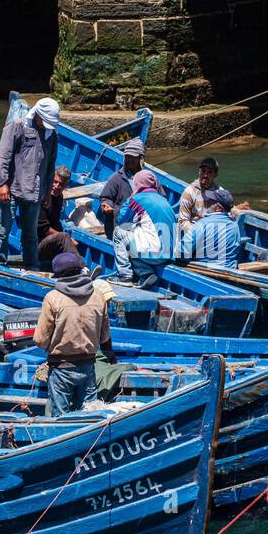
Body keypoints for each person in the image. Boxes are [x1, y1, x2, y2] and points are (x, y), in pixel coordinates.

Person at [33, 252, 116, 416]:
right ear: (80, 270)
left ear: (59, 276)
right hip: (88, 367)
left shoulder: (52, 298)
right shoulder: (98, 296)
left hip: (61, 368)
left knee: (60, 417)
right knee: (90, 415)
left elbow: (40, 339)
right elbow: (104, 337)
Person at [0, 97, 60, 270]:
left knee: (30, 234)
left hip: (36, 192)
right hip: (12, 188)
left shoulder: (52, 135)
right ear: (37, 114)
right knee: (2, 231)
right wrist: (2, 183)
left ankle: (32, 267)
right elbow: (3, 156)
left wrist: (47, 193)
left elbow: (50, 164)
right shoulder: (18, 125)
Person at [113, 169, 176, 287]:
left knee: (119, 232)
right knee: (136, 238)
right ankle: (146, 273)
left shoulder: (136, 199)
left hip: (155, 255)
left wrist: (130, 199)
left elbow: (121, 219)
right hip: (169, 255)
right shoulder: (164, 200)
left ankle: (124, 276)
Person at [178, 156, 249, 232]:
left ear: (215, 175)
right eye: (203, 171)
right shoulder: (189, 192)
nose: (205, 175)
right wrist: (198, 233)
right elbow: (182, 221)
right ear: (199, 171)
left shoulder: (219, 192)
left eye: (209, 172)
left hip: (214, 232)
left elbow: (229, 211)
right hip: (195, 235)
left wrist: (238, 209)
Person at [179, 187, 240, 269]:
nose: (207, 202)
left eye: (211, 201)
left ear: (218, 208)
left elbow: (182, 251)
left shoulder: (201, 224)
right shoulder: (234, 225)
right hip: (229, 271)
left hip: (206, 273)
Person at [98, 138, 146, 239]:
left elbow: (160, 198)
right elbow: (105, 197)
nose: (129, 160)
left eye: (133, 157)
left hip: (141, 229)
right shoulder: (116, 178)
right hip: (117, 228)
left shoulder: (149, 179)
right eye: (127, 156)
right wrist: (107, 207)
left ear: (140, 158)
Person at [36, 166, 78, 268]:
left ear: (65, 186)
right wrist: (65, 238)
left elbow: (55, 222)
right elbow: (43, 228)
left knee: (66, 238)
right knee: (64, 237)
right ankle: (82, 267)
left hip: (50, 242)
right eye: (55, 182)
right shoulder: (41, 196)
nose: (56, 186)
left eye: (61, 184)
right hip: (35, 245)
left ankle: (72, 269)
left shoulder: (59, 197)